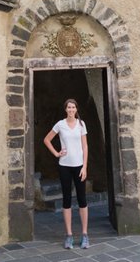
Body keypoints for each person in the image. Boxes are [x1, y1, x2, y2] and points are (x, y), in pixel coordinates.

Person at [43, 98, 89, 249]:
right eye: (68, 107)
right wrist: (57, 154)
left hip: (79, 167)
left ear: (76, 109)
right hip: (64, 166)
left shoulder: (81, 124)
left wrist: (85, 167)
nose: (71, 110)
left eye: (73, 107)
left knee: (82, 200)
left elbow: (85, 146)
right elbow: (47, 139)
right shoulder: (60, 124)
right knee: (67, 200)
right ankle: (69, 235)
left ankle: (84, 235)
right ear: (66, 109)